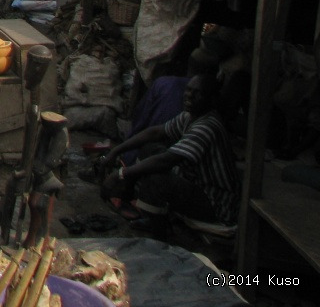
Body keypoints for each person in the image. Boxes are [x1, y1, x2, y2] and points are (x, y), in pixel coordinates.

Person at [100, 73, 240, 228]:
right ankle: (132, 196)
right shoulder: (190, 116)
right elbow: (155, 132)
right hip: (196, 183)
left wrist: (121, 174)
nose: (189, 95)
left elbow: (167, 160)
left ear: (211, 99)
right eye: (188, 90)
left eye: (197, 93)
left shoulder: (206, 127)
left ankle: (157, 224)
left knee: (156, 175)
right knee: (150, 149)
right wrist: (116, 151)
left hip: (215, 203)